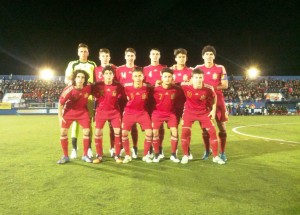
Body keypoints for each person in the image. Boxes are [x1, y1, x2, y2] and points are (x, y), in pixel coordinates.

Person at [180, 68, 225, 165]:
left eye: (200, 77)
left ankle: (216, 156)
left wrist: (213, 110)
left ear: (203, 78)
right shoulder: (184, 86)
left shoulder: (208, 88)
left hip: (203, 112)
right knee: (185, 132)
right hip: (189, 112)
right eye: (196, 77)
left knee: (213, 132)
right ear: (192, 78)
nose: (198, 79)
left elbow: (214, 97)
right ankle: (185, 155)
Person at [194, 45, 229, 162]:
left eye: (211, 54)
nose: (209, 56)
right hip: (203, 101)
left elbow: (225, 85)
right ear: (203, 56)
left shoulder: (220, 68)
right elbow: (190, 79)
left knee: (222, 128)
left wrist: (210, 87)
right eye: (206, 54)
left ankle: (222, 152)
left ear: (214, 56)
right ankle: (207, 150)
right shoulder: (198, 68)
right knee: (204, 129)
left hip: (218, 100)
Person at [65, 43, 96, 159]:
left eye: (85, 51)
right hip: (75, 98)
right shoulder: (72, 64)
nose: (83, 53)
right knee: (75, 123)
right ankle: (74, 149)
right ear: (78, 53)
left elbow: (95, 80)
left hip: (88, 98)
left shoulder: (92, 64)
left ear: (88, 53)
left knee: (88, 124)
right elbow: (67, 78)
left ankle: (89, 149)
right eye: (81, 51)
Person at [57, 70, 92, 164]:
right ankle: (65, 156)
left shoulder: (88, 87)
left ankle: (85, 155)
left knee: (86, 131)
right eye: (78, 77)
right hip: (69, 111)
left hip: (82, 111)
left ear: (85, 79)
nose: (80, 79)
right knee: (63, 132)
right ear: (75, 78)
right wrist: (60, 117)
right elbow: (60, 103)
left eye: (83, 77)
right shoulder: (69, 89)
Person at [92, 66, 124, 164]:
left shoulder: (118, 86)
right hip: (101, 112)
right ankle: (99, 155)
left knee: (118, 132)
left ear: (113, 75)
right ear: (103, 75)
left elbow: (122, 96)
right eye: (106, 74)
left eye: (110, 73)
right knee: (97, 133)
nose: (109, 75)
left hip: (114, 112)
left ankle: (117, 155)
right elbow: (93, 94)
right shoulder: (97, 85)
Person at [121, 67, 153, 164]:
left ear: (143, 76)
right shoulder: (126, 87)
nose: (138, 78)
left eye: (139, 76)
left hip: (142, 112)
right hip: (129, 112)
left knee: (149, 133)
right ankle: (127, 155)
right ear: (132, 77)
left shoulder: (148, 87)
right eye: (135, 76)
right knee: (124, 133)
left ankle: (145, 155)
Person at [151, 68, 180, 163]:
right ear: (161, 78)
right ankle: (156, 154)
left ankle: (173, 154)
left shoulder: (176, 89)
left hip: (171, 113)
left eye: (169, 76)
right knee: (155, 132)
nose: (167, 78)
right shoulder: (155, 89)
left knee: (175, 131)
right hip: (157, 113)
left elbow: (181, 101)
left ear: (172, 78)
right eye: (165, 76)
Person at [143, 48, 167, 158]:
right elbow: (142, 84)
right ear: (149, 55)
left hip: (161, 101)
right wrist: (152, 86)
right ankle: (150, 148)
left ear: (160, 55)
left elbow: (168, 81)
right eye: (153, 54)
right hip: (148, 101)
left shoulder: (164, 68)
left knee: (160, 126)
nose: (155, 56)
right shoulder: (145, 69)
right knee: (150, 126)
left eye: (157, 54)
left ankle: (159, 148)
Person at [115, 48, 139, 158]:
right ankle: (120, 148)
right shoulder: (119, 70)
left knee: (133, 126)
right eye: (128, 55)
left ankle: (134, 148)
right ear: (125, 57)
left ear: (134, 57)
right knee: (120, 126)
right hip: (121, 101)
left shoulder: (139, 69)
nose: (130, 57)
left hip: (134, 102)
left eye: (132, 56)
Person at [94, 48, 117, 157]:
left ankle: (113, 148)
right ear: (99, 57)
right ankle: (98, 151)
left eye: (107, 56)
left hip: (112, 101)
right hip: (99, 102)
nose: (105, 58)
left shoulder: (115, 68)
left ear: (110, 57)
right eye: (103, 56)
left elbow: (117, 83)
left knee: (113, 127)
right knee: (98, 128)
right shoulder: (95, 69)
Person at [171, 48, 193, 159]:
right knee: (174, 128)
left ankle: (187, 150)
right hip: (173, 104)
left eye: (183, 57)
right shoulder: (170, 71)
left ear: (186, 58)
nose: (181, 58)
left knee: (186, 128)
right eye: (179, 57)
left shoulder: (190, 71)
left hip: (186, 105)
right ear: (175, 58)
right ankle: (173, 152)